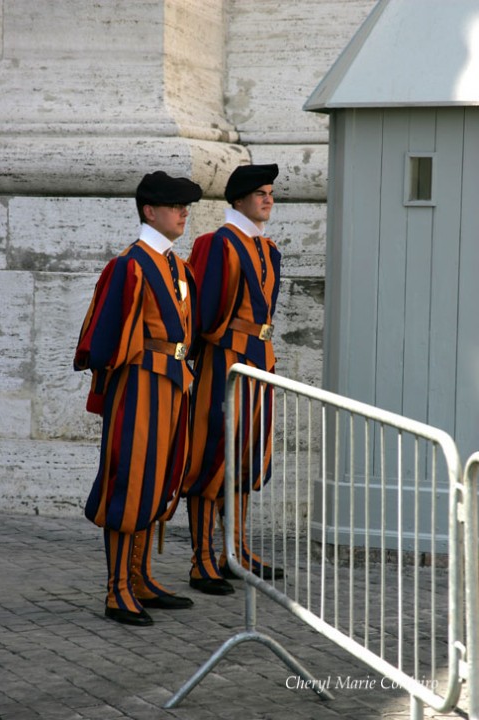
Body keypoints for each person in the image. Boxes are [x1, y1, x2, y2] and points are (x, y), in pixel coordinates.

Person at [74, 170, 202, 625]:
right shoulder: (129, 264)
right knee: (129, 482)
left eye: (186, 206)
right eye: (174, 205)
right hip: (140, 387)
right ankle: (116, 590)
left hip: (173, 386)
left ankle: (141, 577)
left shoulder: (177, 265)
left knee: (161, 478)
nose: (184, 212)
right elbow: (104, 342)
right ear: (150, 211)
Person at [183, 163, 283, 595]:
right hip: (225, 361)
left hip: (259, 360)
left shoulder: (266, 247)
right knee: (214, 453)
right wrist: (229, 344)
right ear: (239, 199)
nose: (268, 199)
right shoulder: (216, 243)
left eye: (270, 192)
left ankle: (234, 551)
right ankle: (202, 558)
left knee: (247, 455)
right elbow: (203, 314)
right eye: (259, 192)